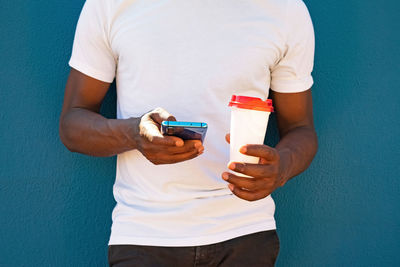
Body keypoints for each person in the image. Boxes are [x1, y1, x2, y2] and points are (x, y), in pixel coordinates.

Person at [59, 0, 318, 266]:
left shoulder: (284, 9)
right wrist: (133, 134)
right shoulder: (109, 5)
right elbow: (72, 125)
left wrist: (282, 166)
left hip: (245, 232)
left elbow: (301, 129)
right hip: (145, 234)